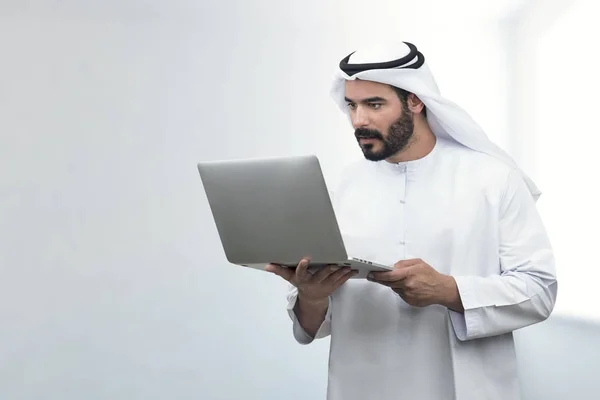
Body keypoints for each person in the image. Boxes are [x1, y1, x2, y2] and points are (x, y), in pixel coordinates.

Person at [265, 41, 557, 400]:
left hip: (462, 388)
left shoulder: (492, 178)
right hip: (359, 387)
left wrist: (448, 290)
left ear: (415, 101)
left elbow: (540, 290)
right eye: (352, 106)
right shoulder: (344, 185)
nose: (359, 121)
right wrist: (311, 296)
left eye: (374, 104)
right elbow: (312, 325)